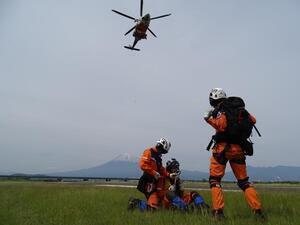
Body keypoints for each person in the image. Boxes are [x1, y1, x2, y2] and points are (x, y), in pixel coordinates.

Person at [204, 88, 264, 220]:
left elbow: (222, 125)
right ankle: (258, 211)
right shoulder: (239, 109)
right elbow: (253, 120)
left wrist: (208, 119)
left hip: (222, 149)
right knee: (244, 182)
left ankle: (218, 213)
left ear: (213, 99)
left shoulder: (221, 109)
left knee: (215, 180)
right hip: (239, 149)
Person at [131, 137, 176, 210]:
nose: (162, 153)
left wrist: (169, 175)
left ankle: (143, 204)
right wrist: (154, 172)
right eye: (163, 151)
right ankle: (136, 202)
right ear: (160, 146)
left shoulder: (158, 157)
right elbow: (142, 165)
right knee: (153, 208)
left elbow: (161, 169)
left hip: (154, 182)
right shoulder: (148, 152)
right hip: (147, 182)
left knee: (157, 204)